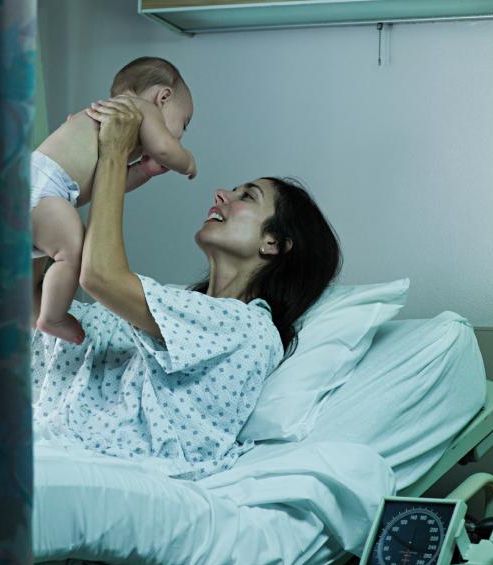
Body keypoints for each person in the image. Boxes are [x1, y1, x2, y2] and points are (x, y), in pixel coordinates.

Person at [30, 96, 342, 480]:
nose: (221, 194)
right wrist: (48, 195)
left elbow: (100, 277)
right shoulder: (165, 313)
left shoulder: (249, 329)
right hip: (52, 450)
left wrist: (113, 152)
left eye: (247, 196)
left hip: (115, 475)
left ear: (273, 243)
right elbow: (37, 311)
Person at [32, 57, 198, 345]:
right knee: (72, 251)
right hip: (46, 188)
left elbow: (107, 185)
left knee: (34, 275)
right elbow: (164, 148)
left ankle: (34, 313)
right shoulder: (140, 108)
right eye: (184, 123)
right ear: (163, 97)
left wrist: (144, 171)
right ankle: (52, 317)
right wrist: (186, 161)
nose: (181, 134)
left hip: (35, 190)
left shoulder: (107, 123)